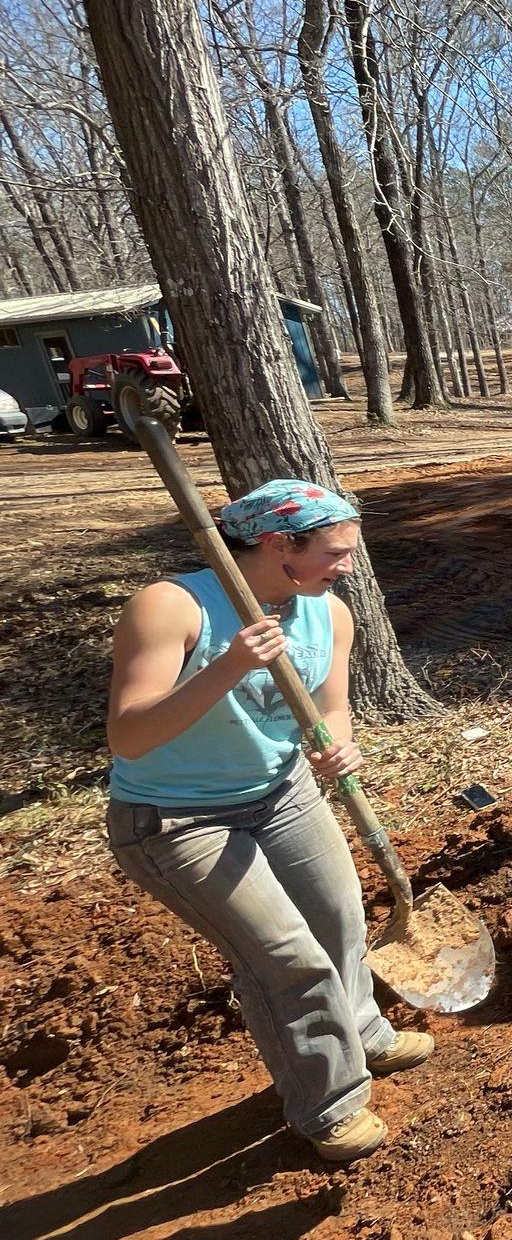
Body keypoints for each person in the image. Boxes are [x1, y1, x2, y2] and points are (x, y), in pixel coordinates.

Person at [105, 481, 432, 1164]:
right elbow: (130, 737)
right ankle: (328, 1102)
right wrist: (230, 665)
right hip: (177, 818)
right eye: (335, 554)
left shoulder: (329, 613)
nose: (347, 567)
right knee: (285, 958)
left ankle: (364, 1031)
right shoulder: (172, 606)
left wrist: (338, 744)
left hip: (283, 795)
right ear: (281, 544)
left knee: (339, 919)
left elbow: (332, 707)